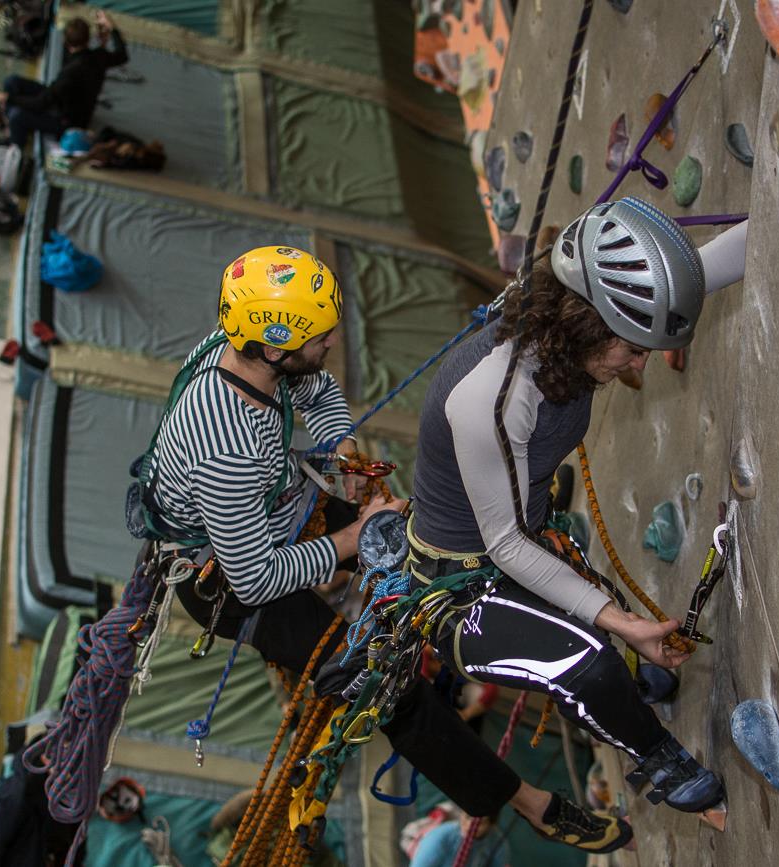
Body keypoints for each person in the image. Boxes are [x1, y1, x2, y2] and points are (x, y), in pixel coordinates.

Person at [141, 245, 633, 854]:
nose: (330, 344)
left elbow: (315, 388)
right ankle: (532, 806)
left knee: (431, 543)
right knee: (393, 692)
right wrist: (352, 537)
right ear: (273, 348)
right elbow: (256, 579)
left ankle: (524, 534)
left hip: (276, 511)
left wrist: (343, 451)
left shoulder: (234, 348)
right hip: (230, 581)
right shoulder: (228, 451)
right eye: (319, 336)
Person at [408, 199, 748, 814]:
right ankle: (656, 756)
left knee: (597, 628)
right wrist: (622, 622)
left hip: (523, 530)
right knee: (586, 663)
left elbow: (698, 271)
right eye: (633, 347)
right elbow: (506, 546)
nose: (641, 363)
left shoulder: (564, 336)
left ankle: (627, 678)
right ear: (588, 327)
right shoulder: (492, 397)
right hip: (458, 585)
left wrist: (777, 219)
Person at [0, 11, 128, 147]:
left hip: (69, 120)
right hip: (64, 99)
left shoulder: (70, 73)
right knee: (12, 82)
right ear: (88, 39)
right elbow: (122, 55)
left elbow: (40, 103)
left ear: (66, 41)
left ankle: (14, 144)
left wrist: (0, 96)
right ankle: (11, 123)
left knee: (17, 115)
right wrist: (111, 29)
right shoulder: (99, 56)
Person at [409, 812, 509, 867]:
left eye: (480, 823)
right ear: (461, 814)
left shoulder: (497, 842)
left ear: (491, 825)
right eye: (467, 817)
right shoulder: (440, 837)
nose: (470, 826)